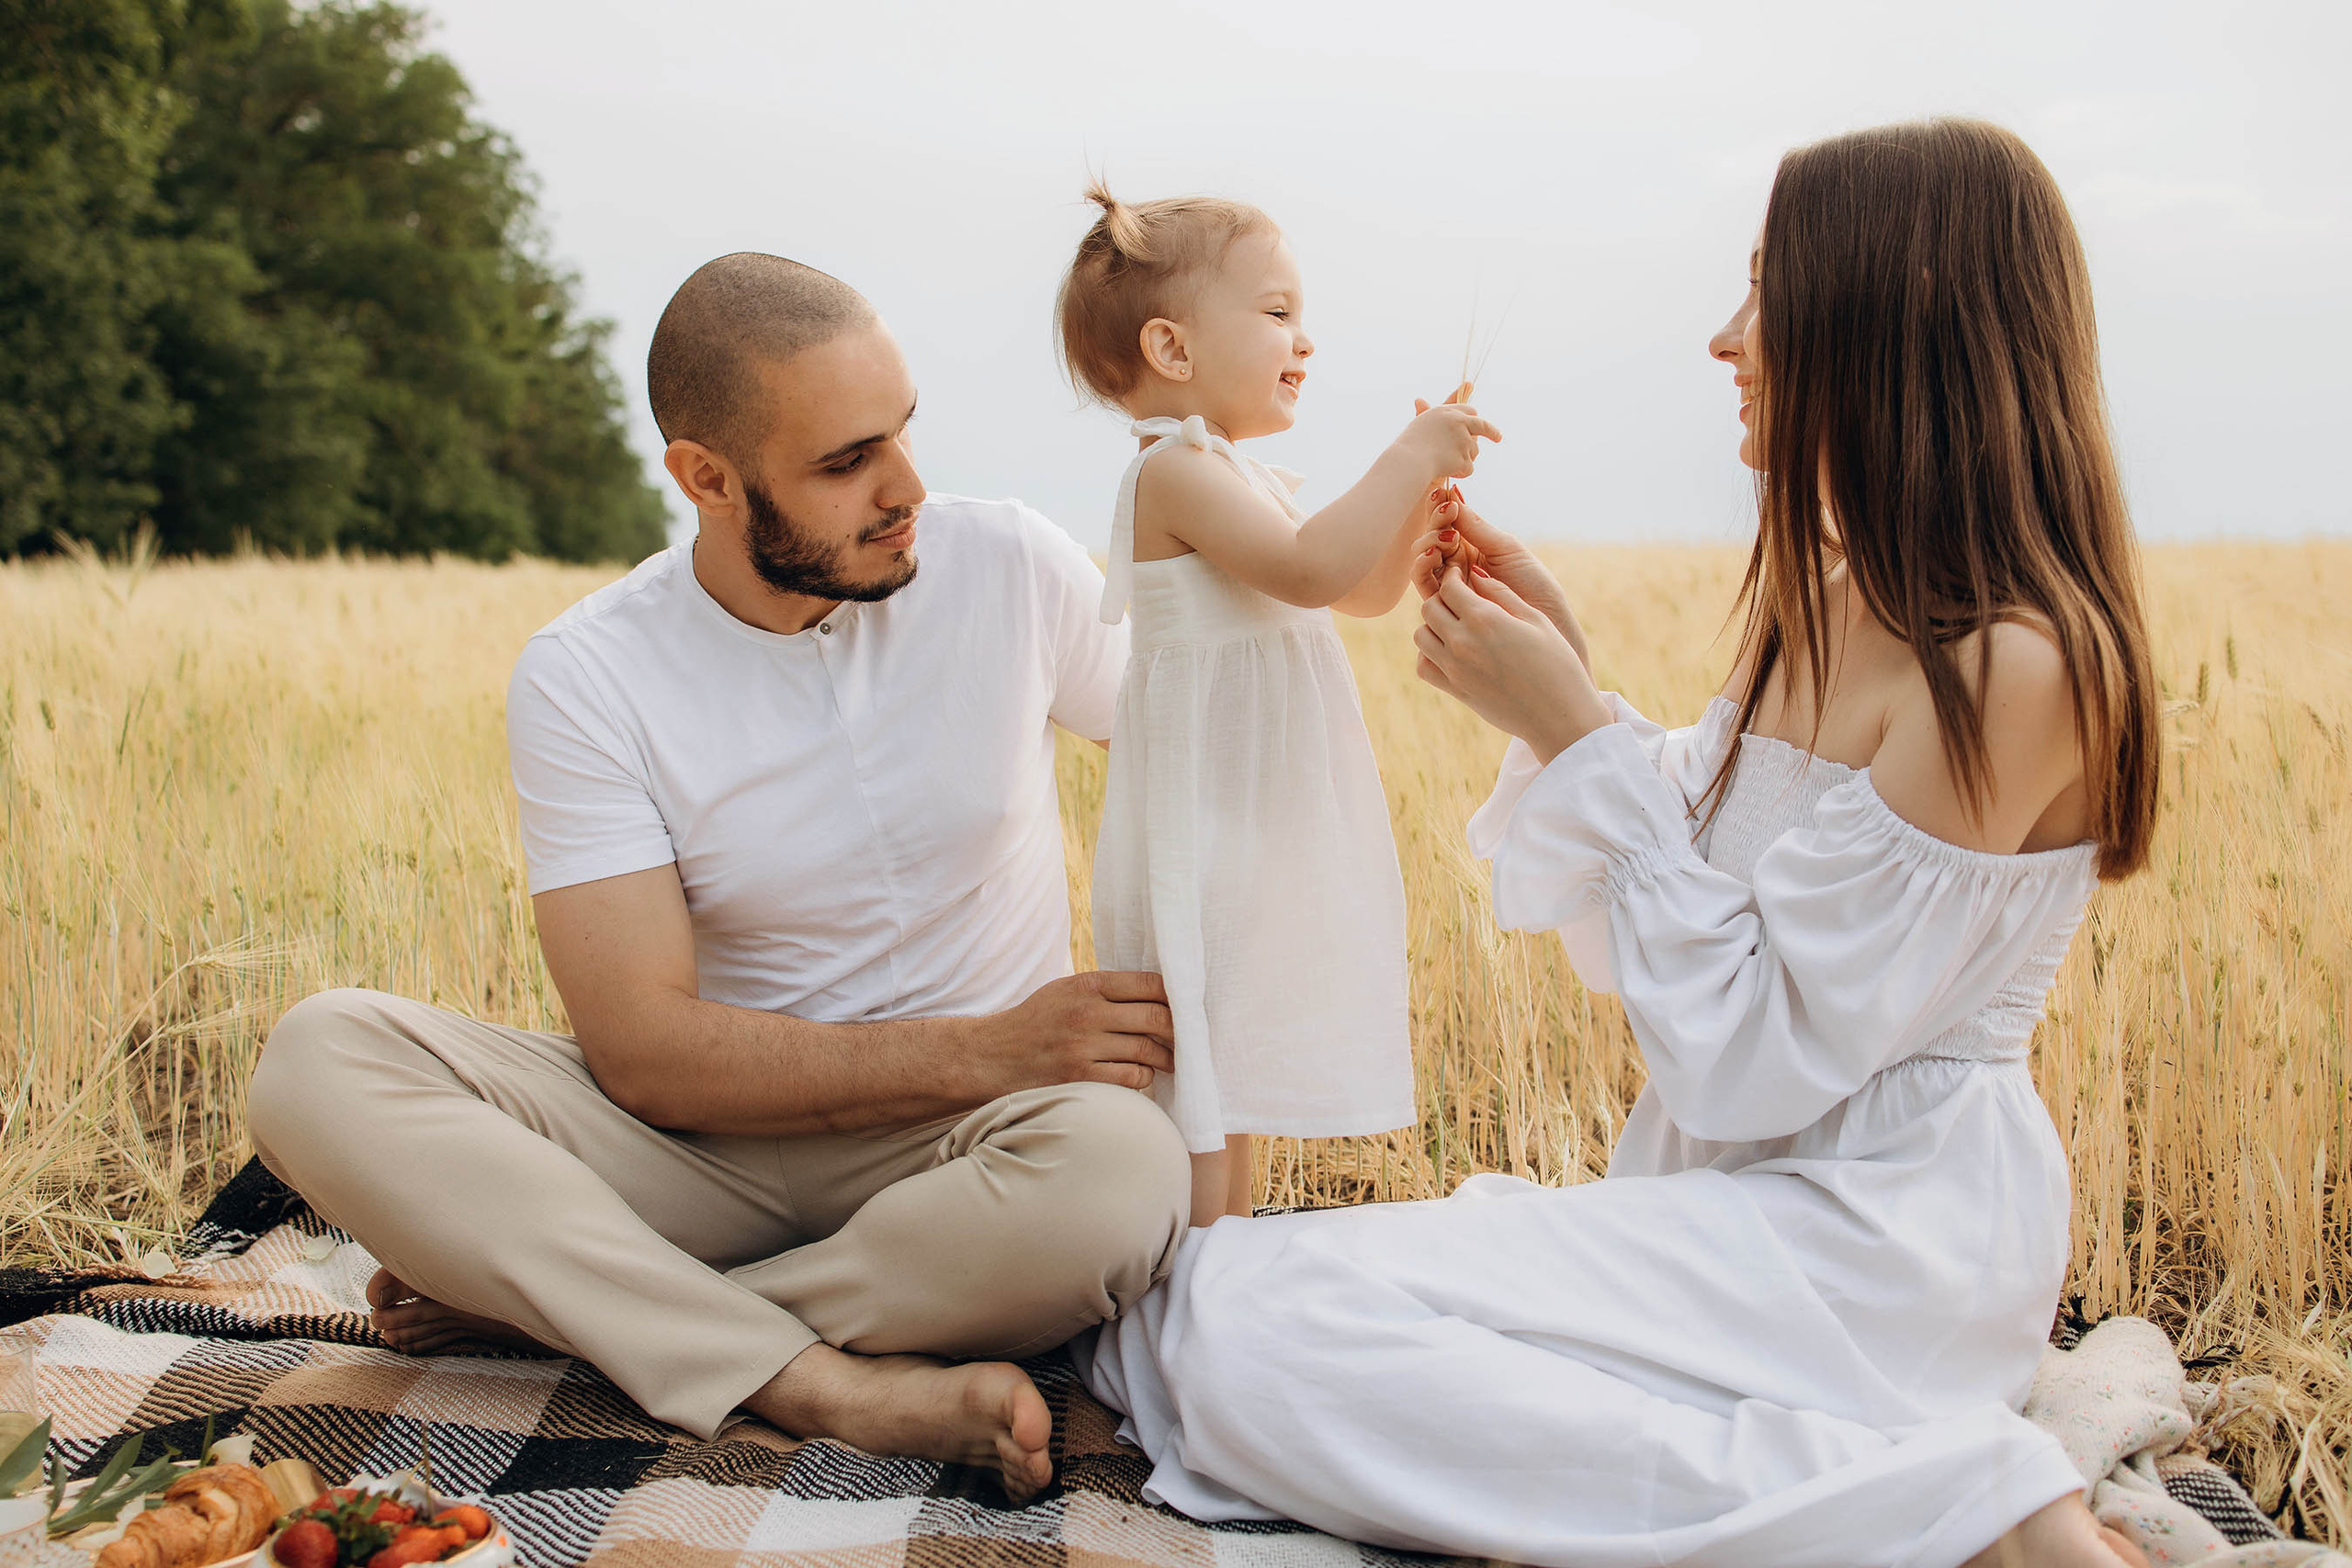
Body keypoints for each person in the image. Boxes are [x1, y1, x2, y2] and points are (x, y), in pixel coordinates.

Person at [1076, 118, 2161, 1567]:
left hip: (1879, 1245)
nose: (1725, 338)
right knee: (1205, 1304)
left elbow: (1752, 1046)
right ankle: (1883, 1481)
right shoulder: (1830, 597)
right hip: (1724, 1214)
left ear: (1887, 314)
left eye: (1765, 290)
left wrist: (1581, 733)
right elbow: (1697, 880)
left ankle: (1961, 1507)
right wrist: (1564, 684)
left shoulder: (2021, 667)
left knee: (1227, 1330)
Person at [246, 253, 1193, 1501]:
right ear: (705, 477)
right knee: (318, 1059)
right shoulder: (591, 672)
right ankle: (821, 1380)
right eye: (846, 462)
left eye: (901, 432)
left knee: (1123, 1174)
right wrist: (990, 1048)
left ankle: (566, 1315)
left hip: (971, 1155)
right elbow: (643, 1052)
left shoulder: (1011, 569)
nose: (905, 488)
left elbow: (1210, 747)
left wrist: (1348, 561)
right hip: (699, 1152)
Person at [1057, 183, 1497, 1225]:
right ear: (1171, 348)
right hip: (1199, 843)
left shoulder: (1250, 482)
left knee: (1235, 1073)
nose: (1304, 338)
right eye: (1275, 312)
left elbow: (1357, 589)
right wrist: (1405, 459)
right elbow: (1305, 573)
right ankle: (1194, 1282)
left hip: (1256, 832)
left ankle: (1227, 1269)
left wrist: (1410, 525)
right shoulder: (1173, 476)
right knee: (1201, 1089)